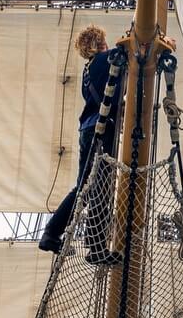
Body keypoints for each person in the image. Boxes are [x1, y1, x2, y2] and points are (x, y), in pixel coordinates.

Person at [39, 25, 123, 264]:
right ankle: (95, 248)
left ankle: (52, 233)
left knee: (85, 187)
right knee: (100, 187)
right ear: (99, 43)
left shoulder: (89, 69)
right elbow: (131, 50)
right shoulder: (106, 60)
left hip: (89, 130)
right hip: (101, 130)